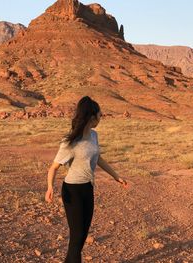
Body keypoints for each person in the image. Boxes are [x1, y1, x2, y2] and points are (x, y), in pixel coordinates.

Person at [45, 95, 128, 263]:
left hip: (87, 188)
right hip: (72, 191)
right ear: (92, 117)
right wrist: (50, 187)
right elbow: (53, 167)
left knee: (82, 235)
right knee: (76, 237)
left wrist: (116, 177)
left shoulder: (94, 136)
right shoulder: (70, 142)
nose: (100, 118)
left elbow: (99, 159)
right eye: (99, 115)